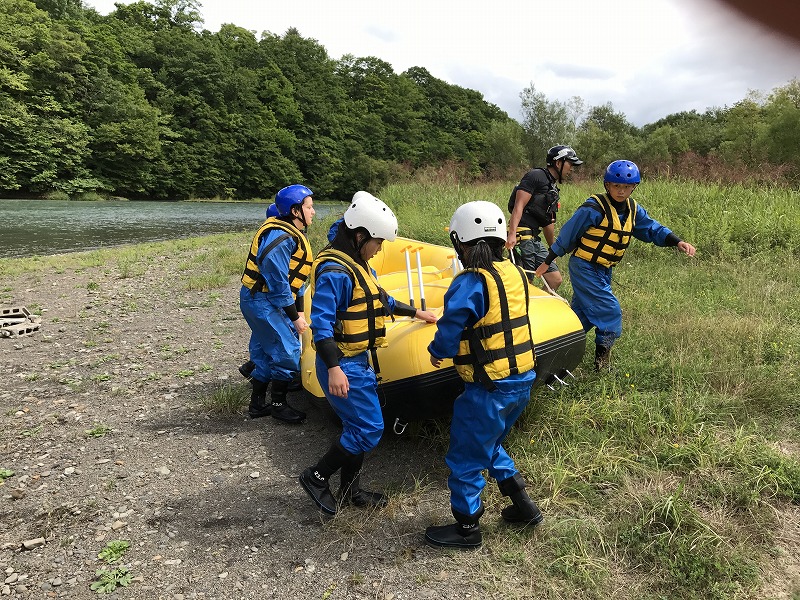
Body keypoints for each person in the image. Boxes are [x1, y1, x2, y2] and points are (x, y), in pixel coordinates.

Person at [299, 192, 437, 515]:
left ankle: (351, 491)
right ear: (359, 235)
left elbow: (381, 299)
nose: (379, 250)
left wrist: (416, 312)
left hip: (357, 361)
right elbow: (321, 324)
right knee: (370, 429)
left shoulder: (356, 263)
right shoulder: (336, 272)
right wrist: (334, 370)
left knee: (355, 427)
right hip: (343, 364)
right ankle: (317, 477)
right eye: (377, 242)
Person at [425, 201, 543, 550]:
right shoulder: (517, 273)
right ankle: (523, 505)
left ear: (459, 241)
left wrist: (437, 353)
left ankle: (467, 528)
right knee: (489, 443)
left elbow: (450, 329)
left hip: (488, 389)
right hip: (521, 380)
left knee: (466, 454)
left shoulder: (471, 282)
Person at [534, 160, 697, 370]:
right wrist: (548, 261)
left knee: (581, 316)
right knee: (609, 312)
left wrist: (677, 241)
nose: (621, 191)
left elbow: (652, 229)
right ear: (607, 185)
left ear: (634, 187)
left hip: (604, 269)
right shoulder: (593, 208)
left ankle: (549, 352)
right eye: (616, 186)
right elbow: (568, 234)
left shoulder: (633, 210)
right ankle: (601, 364)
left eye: (627, 187)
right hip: (584, 266)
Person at [240, 185, 315, 423]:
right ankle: (279, 405)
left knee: (263, 351)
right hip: (261, 300)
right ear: (295, 211)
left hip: (261, 299)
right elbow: (279, 283)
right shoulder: (281, 238)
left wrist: (299, 311)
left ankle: (257, 405)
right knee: (288, 352)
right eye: (309, 207)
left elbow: (297, 281)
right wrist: (295, 317)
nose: (314, 212)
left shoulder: (288, 234)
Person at [506, 145, 583, 291]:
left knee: (555, 279)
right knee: (525, 282)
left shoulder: (552, 187)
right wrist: (511, 234)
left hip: (535, 238)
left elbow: (548, 222)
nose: (571, 169)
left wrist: (552, 250)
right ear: (558, 163)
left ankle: (537, 307)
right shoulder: (535, 176)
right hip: (522, 235)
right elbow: (519, 205)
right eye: (570, 164)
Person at [239, 203, 281, 382]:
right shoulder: (277, 238)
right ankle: (258, 372)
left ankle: (253, 368)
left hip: (256, 296)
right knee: (273, 336)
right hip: (263, 297)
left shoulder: (271, 235)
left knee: (261, 335)